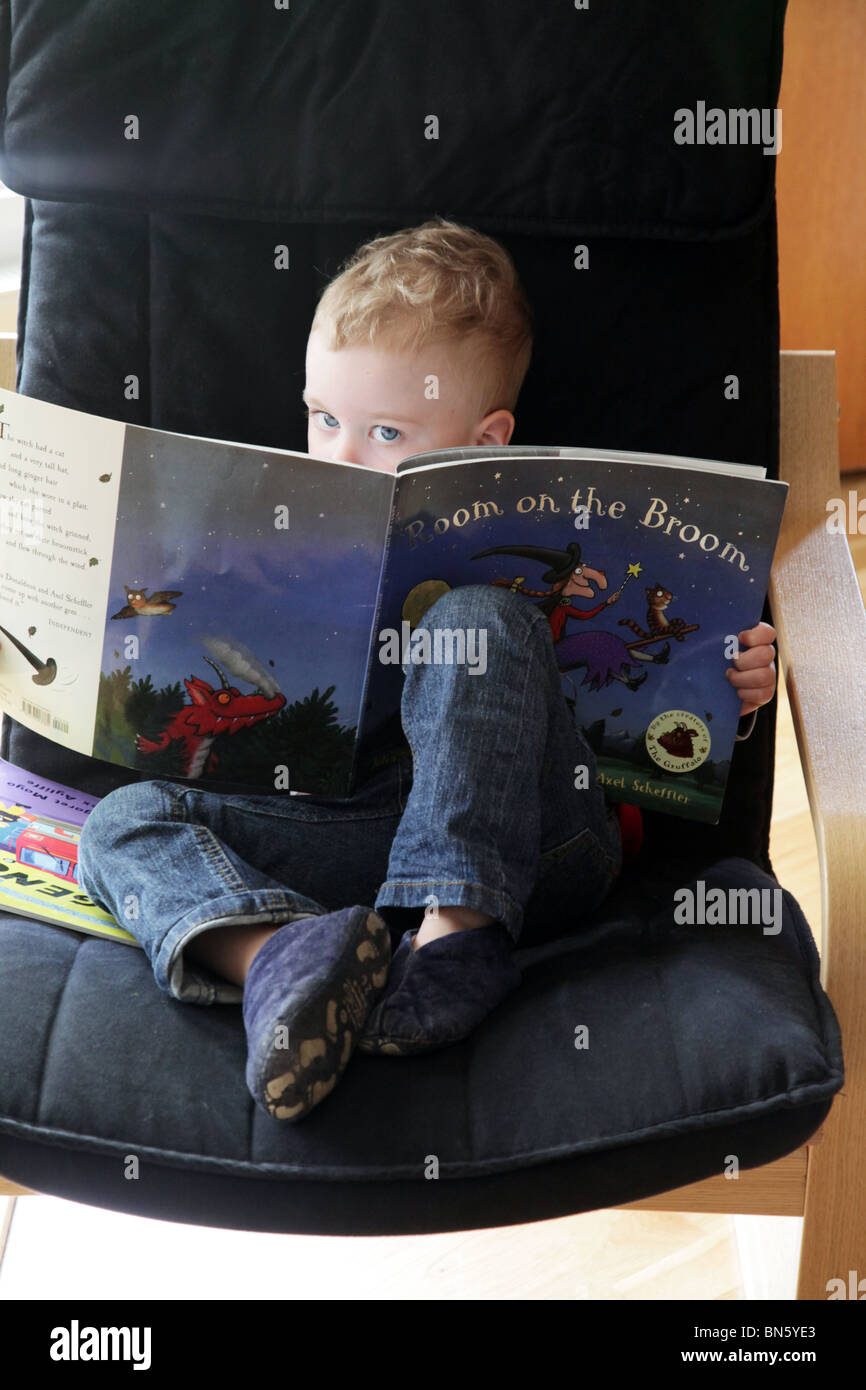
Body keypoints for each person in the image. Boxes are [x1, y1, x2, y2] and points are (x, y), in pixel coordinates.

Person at [77, 218, 777, 1123]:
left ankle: (457, 937)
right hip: (359, 837)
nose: (339, 455)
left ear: (483, 442)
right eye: (323, 418)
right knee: (118, 822)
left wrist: (739, 686)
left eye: (384, 431)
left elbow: (653, 716)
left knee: (476, 619)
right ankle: (284, 959)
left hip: (537, 840)